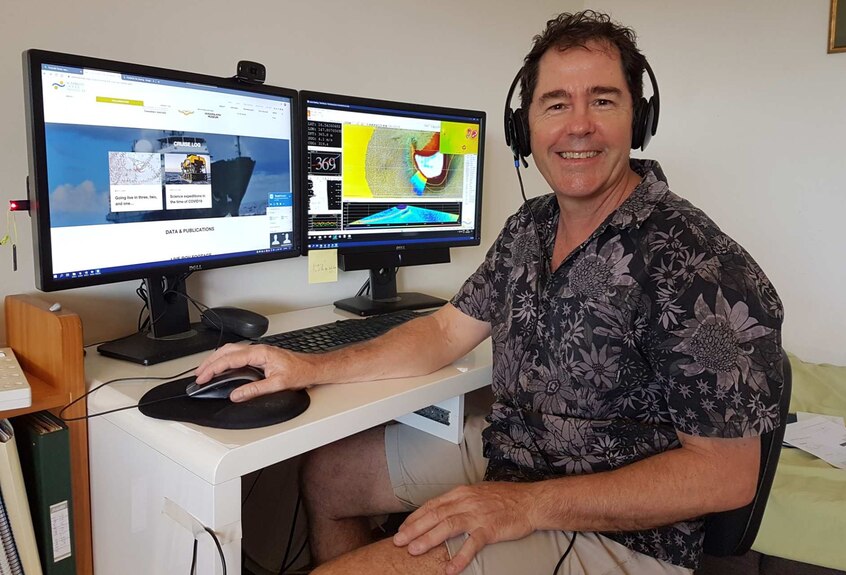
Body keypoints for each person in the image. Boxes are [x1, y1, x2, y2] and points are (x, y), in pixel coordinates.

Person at [195, 10, 784, 575]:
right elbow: (444, 332)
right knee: (328, 474)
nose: (578, 125)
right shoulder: (530, 226)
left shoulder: (698, 261)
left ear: (639, 119)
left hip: (620, 531)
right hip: (515, 454)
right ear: (523, 126)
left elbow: (725, 475)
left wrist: (524, 505)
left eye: (602, 100)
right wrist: (309, 366)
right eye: (556, 104)